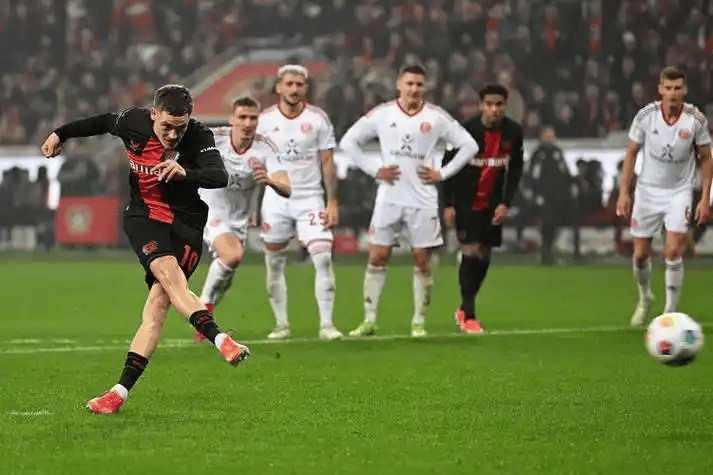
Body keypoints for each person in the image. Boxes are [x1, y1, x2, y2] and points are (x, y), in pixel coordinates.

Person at [41, 84, 251, 414]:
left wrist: (186, 173)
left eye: (180, 127)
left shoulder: (199, 135)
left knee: (157, 307)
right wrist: (60, 133)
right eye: (166, 126)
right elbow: (101, 122)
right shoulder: (133, 122)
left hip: (187, 222)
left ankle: (117, 394)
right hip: (144, 216)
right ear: (153, 114)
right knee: (169, 275)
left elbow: (218, 175)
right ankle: (221, 340)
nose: (173, 135)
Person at [340, 64, 479, 338]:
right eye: (410, 83)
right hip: (389, 198)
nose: (414, 89)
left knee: (422, 260)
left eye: (419, 84)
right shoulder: (383, 113)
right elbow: (348, 142)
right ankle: (369, 320)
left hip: (423, 200)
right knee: (377, 256)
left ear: (424, 87)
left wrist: (443, 173)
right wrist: (374, 169)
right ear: (398, 85)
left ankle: (418, 322)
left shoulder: (436, 117)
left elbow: (470, 146)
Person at [616, 66, 712, 327]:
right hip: (647, 191)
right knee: (640, 256)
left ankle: (670, 312)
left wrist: (705, 197)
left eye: (677, 88)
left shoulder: (696, 120)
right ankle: (645, 296)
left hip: (679, 192)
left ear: (685, 90)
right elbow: (631, 152)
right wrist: (624, 192)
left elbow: (706, 158)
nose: (673, 93)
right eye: (668, 88)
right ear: (660, 90)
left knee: (672, 250)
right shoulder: (646, 116)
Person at [256, 65, 343, 340]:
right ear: (278, 87)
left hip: (310, 197)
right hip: (275, 199)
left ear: (306, 88)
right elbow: (254, 162)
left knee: (323, 258)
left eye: (300, 84)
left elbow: (327, 162)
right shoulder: (263, 120)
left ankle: (327, 325)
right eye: (289, 84)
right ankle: (281, 325)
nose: (294, 89)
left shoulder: (318, 119)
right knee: (274, 263)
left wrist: (332, 202)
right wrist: (251, 203)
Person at [194, 96, 291, 340]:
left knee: (228, 269)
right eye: (242, 117)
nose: (247, 123)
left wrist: (269, 180)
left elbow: (286, 187)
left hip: (240, 218)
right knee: (232, 256)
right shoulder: (213, 139)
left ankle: (206, 312)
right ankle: (202, 314)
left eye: (253, 118)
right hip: (209, 207)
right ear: (232, 119)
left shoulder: (266, 147)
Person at [443, 84, 524, 334]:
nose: (494, 109)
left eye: (499, 105)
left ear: (505, 106)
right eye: (489, 104)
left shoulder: (513, 132)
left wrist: (505, 202)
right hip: (465, 202)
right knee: (471, 252)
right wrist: (447, 204)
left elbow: (516, 169)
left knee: (484, 257)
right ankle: (469, 315)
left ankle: (464, 307)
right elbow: (447, 167)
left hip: (493, 204)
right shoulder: (464, 131)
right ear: (480, 106)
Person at [528, 125, 571, 265]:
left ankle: (548, 250)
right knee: (547, 221)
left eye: (551, 135)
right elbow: (532, 174)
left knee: (555, 223)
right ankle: (545, 252)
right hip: (543, 195)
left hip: (558, 195)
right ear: (542, 136)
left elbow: (564, 171)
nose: (549, 137)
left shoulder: (557, 152)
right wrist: (534, 191)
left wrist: (570, 186)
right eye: (547, 135)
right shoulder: (538, 153)